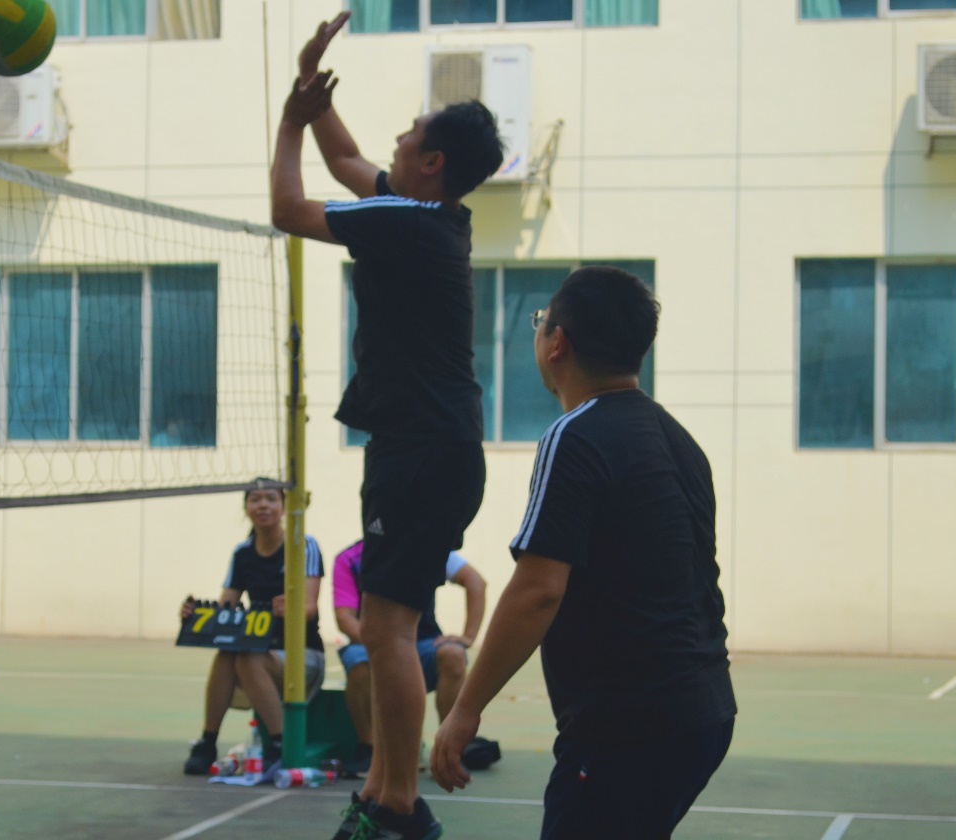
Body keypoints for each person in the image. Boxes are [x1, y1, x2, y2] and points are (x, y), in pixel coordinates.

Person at [270, 11, 504, 839]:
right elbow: (343, 158)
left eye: (408, 135)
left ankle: (398, 802)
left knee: (389, 631)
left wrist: (288, 120)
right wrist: (312, 91)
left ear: (430, 162)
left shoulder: (407, 224)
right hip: (429, 447)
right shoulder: (425, 214)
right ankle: (382, 790)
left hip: (422, 451)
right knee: (383, 626)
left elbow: (288, 206)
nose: (395, 141)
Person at [430, 267, 738, 839]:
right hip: (705, 711)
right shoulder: (681, 440)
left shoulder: (574, 436)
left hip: (629, 727)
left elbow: (537, 591)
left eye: (540, 320)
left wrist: (464, 709)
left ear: (558, 343)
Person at [181, 479, 326, 776]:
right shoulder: (242, 553)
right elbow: (226, 609)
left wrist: (293, 610)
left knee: (248, 656)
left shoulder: (303, 546)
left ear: (283, 506)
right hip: (260, 653)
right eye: (255, 499)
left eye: (271, 499)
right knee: (227, 654)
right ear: (246, 507)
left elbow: (310, 609)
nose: (263, 505)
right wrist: (195, 615)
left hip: (304, 656)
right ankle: (208, 742)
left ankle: (279, 745)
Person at [332, 539, 496, 779]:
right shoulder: (350, 559)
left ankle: (449, 748)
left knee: (452, 654)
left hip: (422, 643)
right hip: (372, 643)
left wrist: (468, 636)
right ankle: (369, 748)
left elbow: (475, 582)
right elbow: (345, 618)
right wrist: (382, 646)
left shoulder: (430, 546)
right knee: (359, 661)